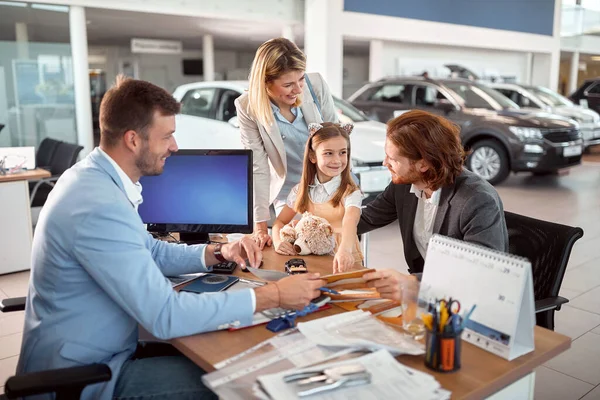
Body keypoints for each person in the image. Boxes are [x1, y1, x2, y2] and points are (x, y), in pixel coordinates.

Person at [17, 76, 326, 400]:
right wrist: (274, 296)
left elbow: (147, 250)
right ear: (133, 140)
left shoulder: (94, 179)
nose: (175, 147)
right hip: (82, 377)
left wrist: (218, 252)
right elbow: (166, 316)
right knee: (236, 383)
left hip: (103, 350)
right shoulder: (97, 205)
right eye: (167, 137)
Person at [359, 110, 508, 292]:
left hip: (466, 301)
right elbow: (367, 218)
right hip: (427, 297)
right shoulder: (404, 185)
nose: (385, 163)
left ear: (423, 164)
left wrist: (413, 283)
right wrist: (320, 226)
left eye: (392, 159)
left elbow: (480, 271)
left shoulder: (477, 199)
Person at [235, 37, 339, 250]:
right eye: (288, 84)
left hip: (329, 187)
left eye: (300, 79)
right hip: (289, 196)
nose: (299, 89)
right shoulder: (248, 107)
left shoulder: (316, 85)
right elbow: (258, 167)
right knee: (293, 254)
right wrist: (260, 227)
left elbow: (337, 141)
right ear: (265, 83)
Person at [272, 122, 363, 272]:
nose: (337, 160)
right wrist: (277, 241)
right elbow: (280, 221)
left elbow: (350, 222)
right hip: (312, 260)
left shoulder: (351, 191)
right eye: (328, 153)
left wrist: (345, 250)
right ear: (313, 156)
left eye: (342, 152)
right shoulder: (300, 190)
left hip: (343, 260)